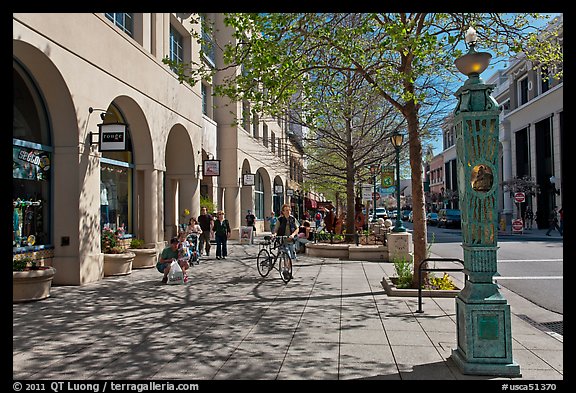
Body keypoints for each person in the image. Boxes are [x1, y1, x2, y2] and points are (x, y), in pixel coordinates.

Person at [274, 203, 300, 280]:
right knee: (286, 256)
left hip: (291, 241)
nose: (288, 212)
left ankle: (288, 271)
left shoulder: (293, 219)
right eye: (286, 210)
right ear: (283, 212)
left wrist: (293, 235)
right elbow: (276, 229)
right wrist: (274, 235)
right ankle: (286, 271)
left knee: (291, 257)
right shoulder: (280, 220)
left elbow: (297, 228)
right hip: (282, 241)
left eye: (289, 210)